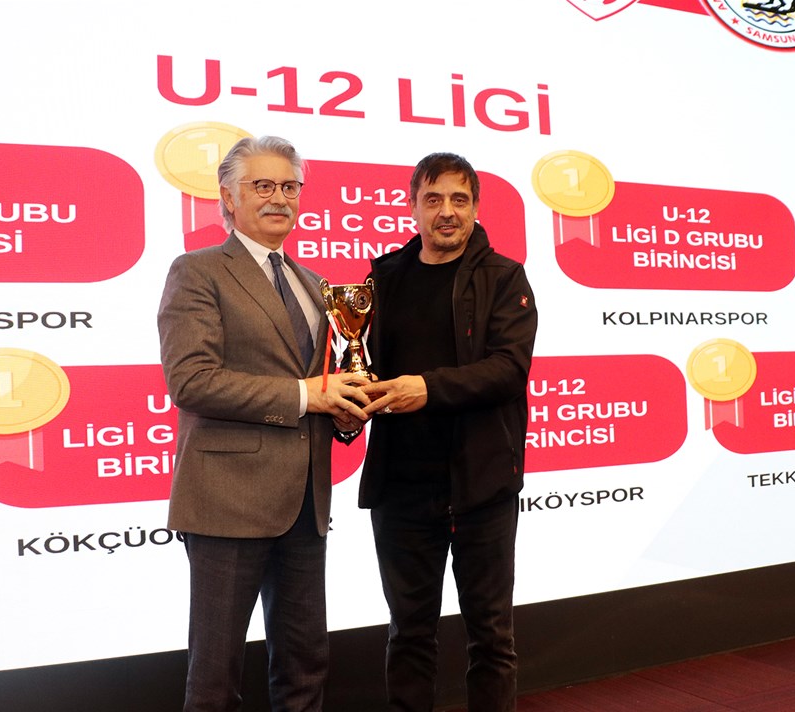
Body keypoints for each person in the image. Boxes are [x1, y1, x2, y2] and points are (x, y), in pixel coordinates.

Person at [157, 135, 370, 712]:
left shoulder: (314, 284)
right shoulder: (198, 271)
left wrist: (347, 407)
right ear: (228, 198)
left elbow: (321, 383)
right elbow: (192, 381)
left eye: (290, 186)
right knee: (215, 676)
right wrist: (307, 395)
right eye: (263, 185)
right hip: (227, 501)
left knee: (305, 666)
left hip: (305, 503)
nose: (280, 198)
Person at [358, 152, 538, 712]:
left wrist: (427, 388)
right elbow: (364, 365)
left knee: (491, 637)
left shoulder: (504, 277)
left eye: (460, 199)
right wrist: (348, 403)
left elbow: (509, 369)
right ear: (412, 206)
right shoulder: (384, 277)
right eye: (433, 199)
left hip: (481, 485)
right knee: (408, 634)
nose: (447, 212)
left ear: (476, 207)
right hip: (401, 487)